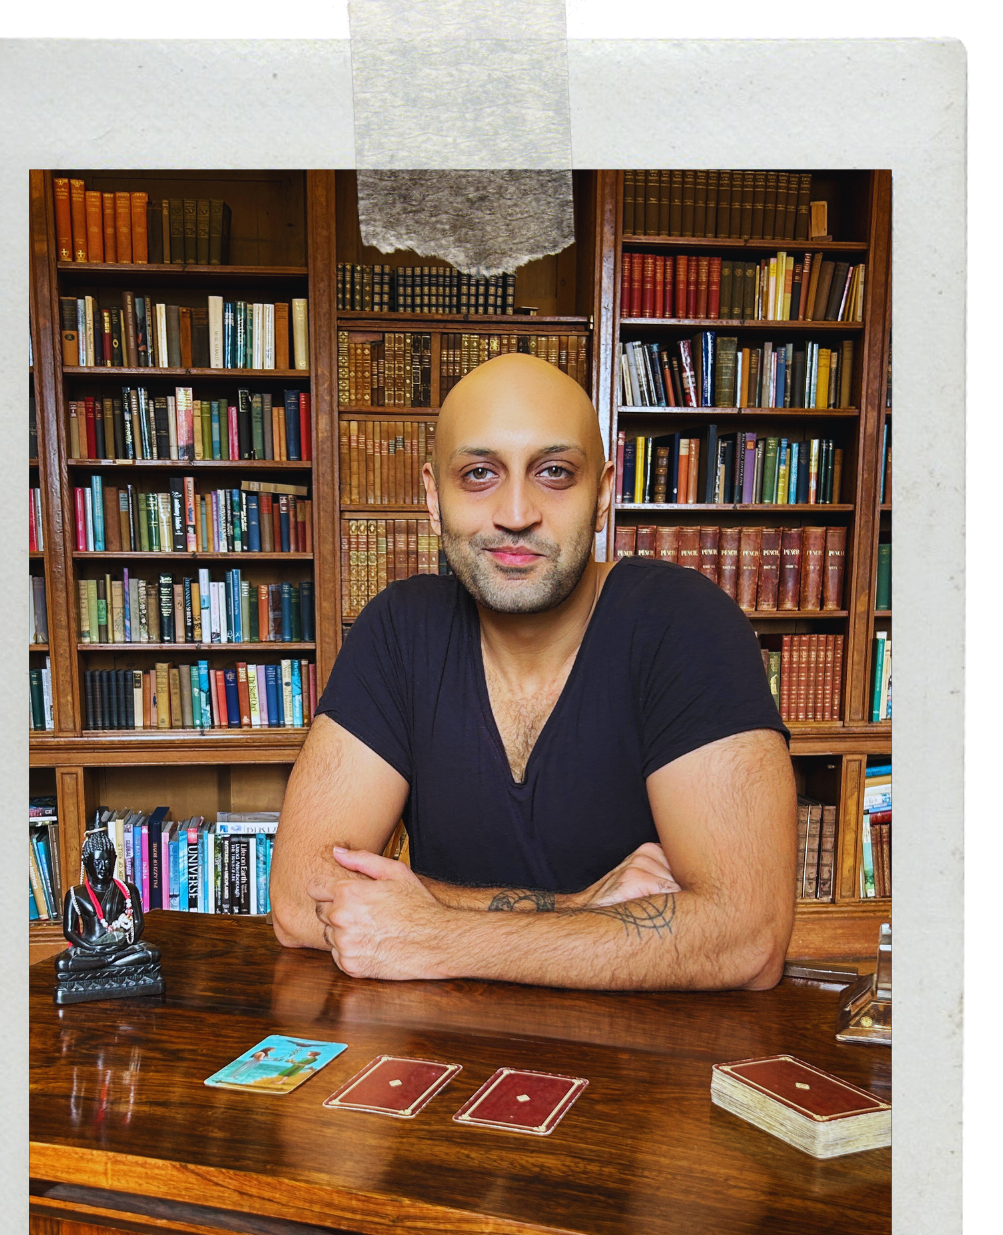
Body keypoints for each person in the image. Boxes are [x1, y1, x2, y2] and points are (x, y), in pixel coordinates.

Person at [270, 352, 798, 990]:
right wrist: (580, 911)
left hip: (643, 1069)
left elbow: (746, 940)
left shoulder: (684, 623)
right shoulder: (399, 630)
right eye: (479, 474)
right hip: (444, 1054)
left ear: (602, 494)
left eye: (553, 472)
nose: (516, 512)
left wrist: (440, 934)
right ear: (433, 499)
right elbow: (303, 901)